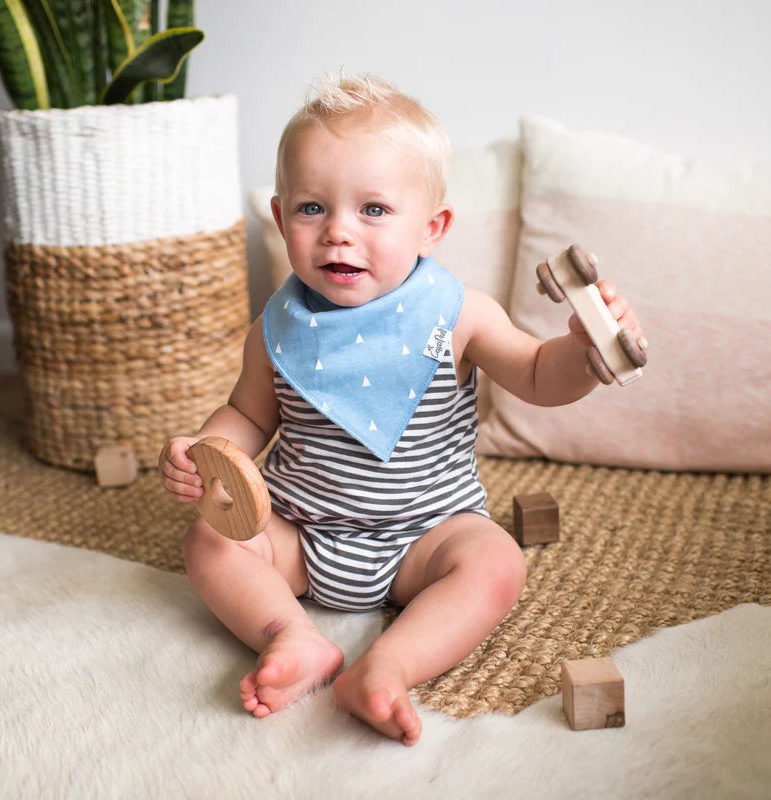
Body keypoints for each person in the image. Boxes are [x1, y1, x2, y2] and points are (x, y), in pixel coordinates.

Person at [159, 74, 645, 746]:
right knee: (212, 542)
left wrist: (584, 350)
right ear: (279, 217)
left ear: (431, 228)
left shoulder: (459, 315)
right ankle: (292, 637)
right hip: (301, 535)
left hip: (427, 536)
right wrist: (208, 452)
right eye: (310, 209)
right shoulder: (276, 327)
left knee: (496, 561)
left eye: (374, 211)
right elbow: (246, 415)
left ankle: (387, 664)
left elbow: (536, 374)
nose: (338, 233)